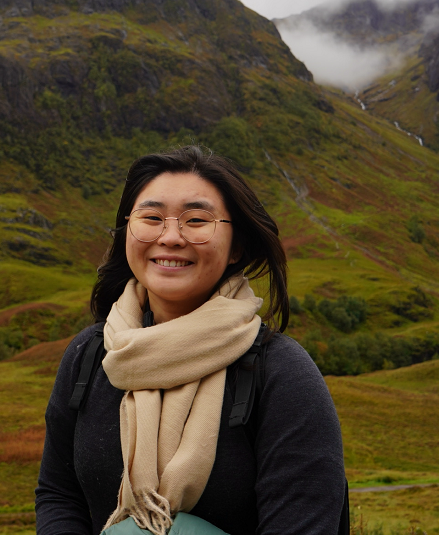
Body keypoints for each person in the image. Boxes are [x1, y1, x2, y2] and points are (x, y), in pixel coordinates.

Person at [35, 145, 346, 535]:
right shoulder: (89, 356)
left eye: (197, 220)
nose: (170, 237)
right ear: (127, 229)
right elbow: (59, 494)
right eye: (150, 217)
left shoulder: (281, 373)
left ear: (237, 247)